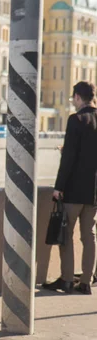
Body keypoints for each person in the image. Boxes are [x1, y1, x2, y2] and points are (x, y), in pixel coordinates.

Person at [43, 81, 97, 295]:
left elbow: (70, 158)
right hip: (93, 193)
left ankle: (66, 280)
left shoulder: (76, 120)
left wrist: (58, 187)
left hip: (74, 190)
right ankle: (86, 282)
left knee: (65, 233)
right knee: (89, 237)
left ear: (77, 97)